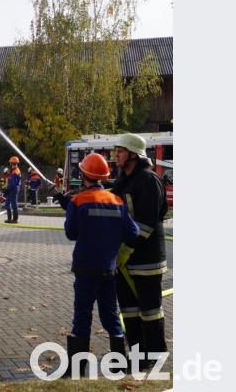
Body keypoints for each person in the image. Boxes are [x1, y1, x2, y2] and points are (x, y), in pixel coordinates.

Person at [63, 153, 139, 377]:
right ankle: (119, 364)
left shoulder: (78, 201)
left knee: (82, 318)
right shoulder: (117, 201)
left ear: (83, 174)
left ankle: (76, 370)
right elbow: (133, 233)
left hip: (85, 270)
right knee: (111, 316)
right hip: (109, 270)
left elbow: (71, 233)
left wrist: (70, 210)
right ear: (104, 177)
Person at [111, 133, 169, 370]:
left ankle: (154, 356)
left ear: (134, 154)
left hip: (146, 258)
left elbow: (147, 222)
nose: (116, 155)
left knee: (150, 310)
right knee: (129, 311)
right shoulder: (123, 179)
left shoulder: (147, 180)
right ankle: (137, 356)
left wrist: (126, 250)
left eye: (121, 151)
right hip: (125, 260)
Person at [5, 157, 22, 223]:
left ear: (12, 163)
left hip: (13, 189)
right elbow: (10, 181)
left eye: (11, 163)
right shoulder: (13, 170)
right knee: (7, 204)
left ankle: (15, 219)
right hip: (11, 189)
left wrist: (7, 189)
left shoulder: (15, 171)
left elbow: (13, 183)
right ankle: (9, 219)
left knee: (14, 204)